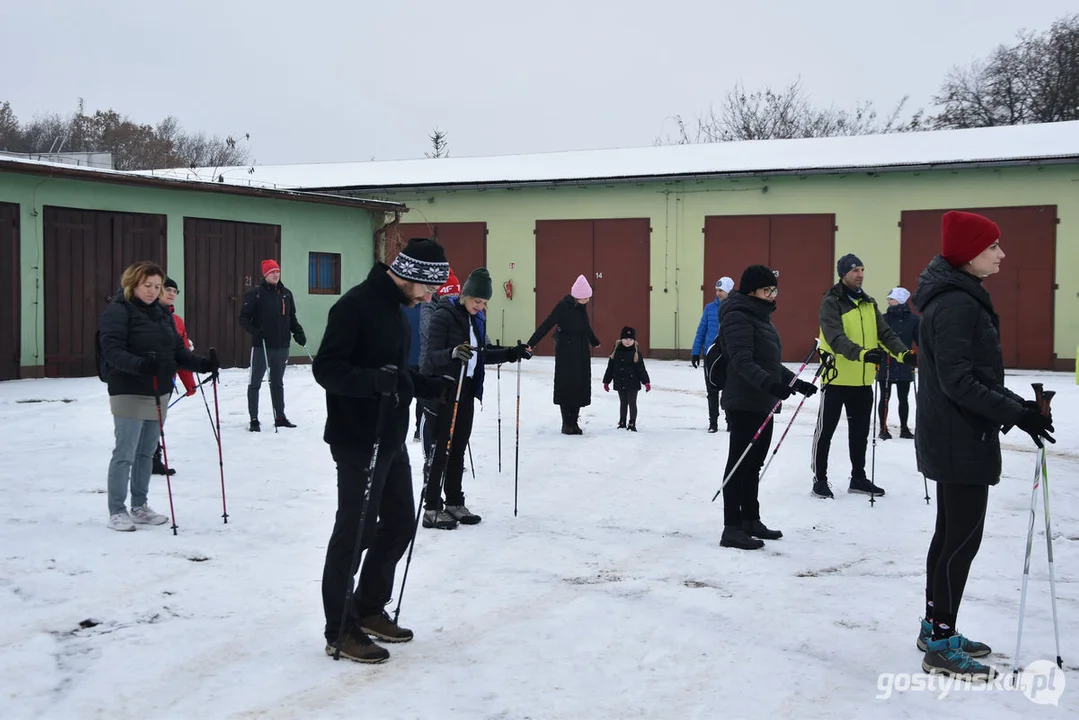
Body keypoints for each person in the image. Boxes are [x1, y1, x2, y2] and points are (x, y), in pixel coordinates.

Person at [912, 210, 1054, 680]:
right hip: (959, 437)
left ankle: (936, 628)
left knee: (950, 536)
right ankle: (940, 640)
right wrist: (1016, 413)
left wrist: (1021, 409)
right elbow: (959, 382)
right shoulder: (956, 303)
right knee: (961, 540)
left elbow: (975, 378)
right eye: (993, 246)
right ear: (969, 253)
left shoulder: (956, 296)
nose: (1001, 253)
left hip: (956, 432)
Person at [313, 237, 455, 664]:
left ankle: (369, 607)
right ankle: (339, 629)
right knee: (354, 532)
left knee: (397, 525)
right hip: (358, 439)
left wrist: (424, 384)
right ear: (409, 275)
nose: (431, 296)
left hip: (390, 437)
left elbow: (394, 372)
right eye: (429, 288)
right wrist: (373, 382)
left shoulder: (397, 308)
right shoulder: (355, 306)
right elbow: (327, 369)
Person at [97, 261, 219, 532]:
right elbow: (112, 351)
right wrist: (142, 365)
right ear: (132, 285)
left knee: (146, 453)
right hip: (128, 389)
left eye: (156, 286)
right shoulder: (117, 311)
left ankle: (139, 506)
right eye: (147, 286)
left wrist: (202, 364)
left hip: (158, 389)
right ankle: (117, 510)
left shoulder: (163, 314)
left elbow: (178, 351)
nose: (153, 291)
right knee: (125, 453)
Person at [419, 268, 530, 529]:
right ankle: (432, 507)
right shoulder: (443, 316)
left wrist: (512, 353)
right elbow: (432, 355)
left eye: (484, 303)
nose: (480, 307)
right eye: (476, 301)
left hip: (466, 390)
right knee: (441, 450)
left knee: (459, 446)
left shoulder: (476, 320)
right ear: (465, 295)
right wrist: (453, 353)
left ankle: (455, 502)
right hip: (442, 390)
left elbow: (482, 354)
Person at [719, 266, 817, 550]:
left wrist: (796, 383)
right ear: (752, 291)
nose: (773, 296)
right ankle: (731, 527)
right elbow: (742, 361)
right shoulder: (738, 316)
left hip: (762, 401)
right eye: (767, 290)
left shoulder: (760, 317)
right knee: (739, 463)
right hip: (744, 401)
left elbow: (769, 363)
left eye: (775, 290)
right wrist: (772, 386)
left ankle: (750, 519)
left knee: (754, 463)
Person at [811, 253, 914, 499]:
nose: (860, 275)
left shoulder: (868, 303)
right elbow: (836, 338)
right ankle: (820, 479)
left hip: (863, 381)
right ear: (843, 274)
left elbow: (885, 333)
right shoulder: (831, 302)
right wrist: (863, 354)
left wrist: (903, 354)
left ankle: (858, 477)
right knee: (825, 431)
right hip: (836, 379)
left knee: (860, 433)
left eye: (862, 269)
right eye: (855, 270)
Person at [527, 274, 601, 434]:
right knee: (567, 385)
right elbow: (547, 324)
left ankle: (574, 421)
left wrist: (594, 341)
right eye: (585, 298)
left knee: (579, 385)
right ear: (577, 296)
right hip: (566, 350)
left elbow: (585, 326)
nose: (587, 301)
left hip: (581, 349)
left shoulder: (581, 308)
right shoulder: (562, 307)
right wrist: (531, 343)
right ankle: (566, 423)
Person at [239, 259, 306, 431]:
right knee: (255, 382)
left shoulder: (286, 294)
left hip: (282, 346)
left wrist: (298, 332)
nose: (275, 274)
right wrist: (255, 330)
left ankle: (280, 416)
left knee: (277, 382)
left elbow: (292, 318)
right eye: (271, 272)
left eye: (277, 271)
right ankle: (254, 418)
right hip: (262, 346)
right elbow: (243, 319)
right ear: (265, 275)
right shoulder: (256, 294)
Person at [152, 277, 198, 477]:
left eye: (175, 291)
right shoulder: (147, 316)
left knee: (157, 419)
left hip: (167, 378)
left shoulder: (177, 321)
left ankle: (153, 458)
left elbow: (183, 353)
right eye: (167, 289)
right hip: (146, 376)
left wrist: (189, 383)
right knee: (147, 419)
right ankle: (144, 457)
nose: (171, 293)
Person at [417, 269, 460, 445]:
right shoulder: (429, 307)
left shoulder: (459, 309)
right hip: (430, 369)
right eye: (451, 294)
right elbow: (430, 331)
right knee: (430, 414)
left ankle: (446, 454)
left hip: (451, 368)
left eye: (457, 294)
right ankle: (430, 455)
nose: (455, 298)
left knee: (450, 416)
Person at [691, 276, 734, 433]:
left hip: (729, 356)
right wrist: (696, 352)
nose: (718, 293)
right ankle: (713, 422)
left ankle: (730, 421)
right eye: (717, 290)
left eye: (721, 290)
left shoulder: (735, 308)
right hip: (711, 355)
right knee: (712, 390)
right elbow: (701, 330)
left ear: (729, 291)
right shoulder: (709, 308)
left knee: (729, 390)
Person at [876, 287, 919, 441]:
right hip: (885, 361)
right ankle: (883, 427)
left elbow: (919, 340)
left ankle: (904, 428)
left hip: (904, 363)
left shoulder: (913, 320)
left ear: (900, 300)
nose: (888, 301)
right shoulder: (883, 318)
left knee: (904, 398)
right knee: (884, 397)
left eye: (891, 299)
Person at [602, 326, 651, 431]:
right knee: (623, 402)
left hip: (633, 382)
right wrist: (606, 381)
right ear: (621, 339)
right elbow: (610, 368)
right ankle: (622, 421)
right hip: (620, 381)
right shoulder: (615, 352)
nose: (628, 341)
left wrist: (646, 382)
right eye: (625, 339)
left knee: (632, 402)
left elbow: (641, 369)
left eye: (631, 339)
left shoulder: (636, 353)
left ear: (634, 340)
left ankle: (632, 422)